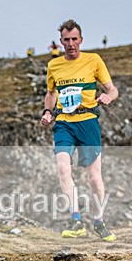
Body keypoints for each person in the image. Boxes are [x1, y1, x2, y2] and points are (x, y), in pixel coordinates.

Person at [40, 19, 118, 242]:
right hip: (64, 122)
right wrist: (47, 111)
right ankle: (76, 220)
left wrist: (108, 97)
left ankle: (99, 221)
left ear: (81, 40)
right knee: (63, 168)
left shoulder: (94, 60)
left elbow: (112, 89)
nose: (71, 44)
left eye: (74, 39)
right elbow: (51, 93)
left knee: (94, 178)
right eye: (66, 40)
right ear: (61, 41)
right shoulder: (54, 65)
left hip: (88, 121)